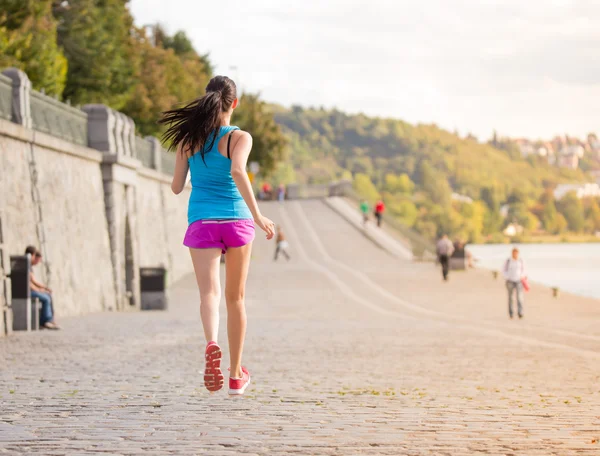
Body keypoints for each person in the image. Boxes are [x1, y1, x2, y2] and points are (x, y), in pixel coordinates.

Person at [160, 75, 275, 396]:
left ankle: (211, 343)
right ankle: (236, 375)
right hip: (237, 221)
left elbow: (176, 187)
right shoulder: (239, 138)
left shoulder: (189, 140)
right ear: (234, 103)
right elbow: (238, 171)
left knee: (208, 294)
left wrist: (187, 155)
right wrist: (258, 216)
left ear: (208, 98)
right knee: (235, 298)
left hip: (202, 221)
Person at [25, 246, 59, 330]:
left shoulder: (26, 264)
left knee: (47, 295)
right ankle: (46, 321)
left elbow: (32, 281)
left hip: (28, 290)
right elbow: (29, 283)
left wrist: (43, 288)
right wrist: (40, 289)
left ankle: (50, 319)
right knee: (46, 298)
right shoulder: (26, 264)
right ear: (32, 255)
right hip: (27, 291)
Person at [503, 247, 526, 319]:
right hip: (510, 281)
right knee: (511, 298)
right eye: (514, 253)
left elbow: (524, 270)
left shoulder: (521, 260)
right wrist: (507, 277)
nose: (515, 254)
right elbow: (503, 270)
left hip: (519, 281)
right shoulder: (508, 261)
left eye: (516, 253)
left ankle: (520, 312)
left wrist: (522, 276)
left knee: (519, 297)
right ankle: (511, 313)